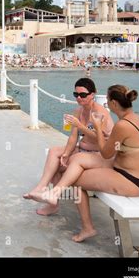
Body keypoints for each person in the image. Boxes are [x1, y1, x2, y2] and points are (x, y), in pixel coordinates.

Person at [31, 85, 139, 242]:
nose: (106, 104)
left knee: (74, 179)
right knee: (78, 160)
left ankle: (87, 227)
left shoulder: (123, 125)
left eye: (108, 101)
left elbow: (106, 152)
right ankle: (54, 194)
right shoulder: (137, 118)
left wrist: (96, 127)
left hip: (132, 181)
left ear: (115, 103)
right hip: (126, 170)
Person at [23, 78, 114, 216]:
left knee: (58, 167)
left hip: (98, 154)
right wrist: (66, 153)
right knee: (55, 154)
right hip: (83, 150)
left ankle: (52, 199)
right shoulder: (78, 111)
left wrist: (80, 126)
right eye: (75, 94)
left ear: (92, 94)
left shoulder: (100, 112)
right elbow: (73, 137)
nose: (79, 98)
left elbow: (102, 139)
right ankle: (41, 189)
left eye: (83, 95)